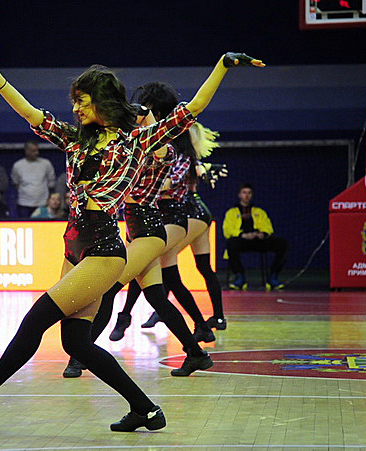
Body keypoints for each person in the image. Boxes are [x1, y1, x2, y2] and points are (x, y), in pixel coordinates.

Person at [0, 42, 260, 435]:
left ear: (102, 101)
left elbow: (192, 109)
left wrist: (221, 65)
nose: (76, 109)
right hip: (73, 246)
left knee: (34, 322)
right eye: (74, 102)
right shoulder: (74, 139)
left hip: (103, 250)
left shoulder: (136, 142)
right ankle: (146, 409)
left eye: (82, 101)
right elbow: (31, 113)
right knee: (76, 344)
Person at [62, 83, 219, 380]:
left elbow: (159, 143)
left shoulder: (161, 148)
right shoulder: (132, 145)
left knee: (109, 288)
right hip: (135, 226)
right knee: (157, 296)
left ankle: (79, 355)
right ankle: (196, 353)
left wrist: (145, 117)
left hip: (148, 228)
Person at [223, 183, 289, 290]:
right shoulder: (231, 212)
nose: (246, 195)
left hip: (258, 241)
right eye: (244, 193)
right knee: (230, 244)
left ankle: (273, 277)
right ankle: (240, 277)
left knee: (282, 244)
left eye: (249, 193)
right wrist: (243, 235)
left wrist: (262, 234)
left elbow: (268, 227)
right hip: (242, 241)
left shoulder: (259, 211)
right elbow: (227, 230)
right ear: (239, 195)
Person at [11, 141, 56, 218]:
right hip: (24, 204)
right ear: (27, 151)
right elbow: (16, 183)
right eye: (33, 151)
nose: (36, 153)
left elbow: (51, 182)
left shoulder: (46, 164)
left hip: (42, 203)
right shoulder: (18, 165)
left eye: (37, 150)